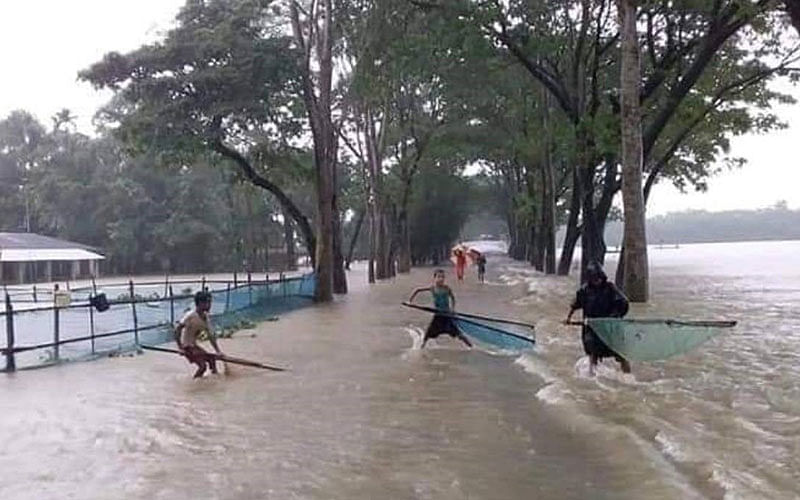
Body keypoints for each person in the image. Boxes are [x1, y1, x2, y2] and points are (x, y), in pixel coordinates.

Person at [564, 262, 631, 375]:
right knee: (592, 353)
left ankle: (628, 376)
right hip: (592, 328)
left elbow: (623, 303)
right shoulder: (584, 291)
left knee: (621, 354)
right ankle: (593, 376)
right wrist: (568, 318)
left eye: (599, 278)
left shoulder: (610, 288)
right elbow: (574, 305)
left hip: (610, 328)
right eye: (594, 279)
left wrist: (615, 316)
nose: (597, 281)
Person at [408, 269, 473, 348]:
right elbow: (417, 290)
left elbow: (453, 298)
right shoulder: (432, 288)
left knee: (459, 335)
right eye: (439, 277)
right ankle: (420, 351)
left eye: (443, 277)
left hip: (447, 316)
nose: (441, 279)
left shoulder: (447, 288)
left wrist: (453, 309)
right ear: (434, 278)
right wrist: (410, 301)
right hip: (437, 316)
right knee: (427, 336)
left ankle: (472, 347)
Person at [174, 290, 223, 378]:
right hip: (187, 347)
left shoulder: (206, 317)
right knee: (203, 366)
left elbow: (211, 336)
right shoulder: (190, 315)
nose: (209, 305)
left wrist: (218, 351)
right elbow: (177, 330)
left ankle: (215, 380)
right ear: (200, 303)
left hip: (194, 346)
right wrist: (180, 348)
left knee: (212, 359)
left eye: (210, 302)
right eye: (207, 302)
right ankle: (194, 384)